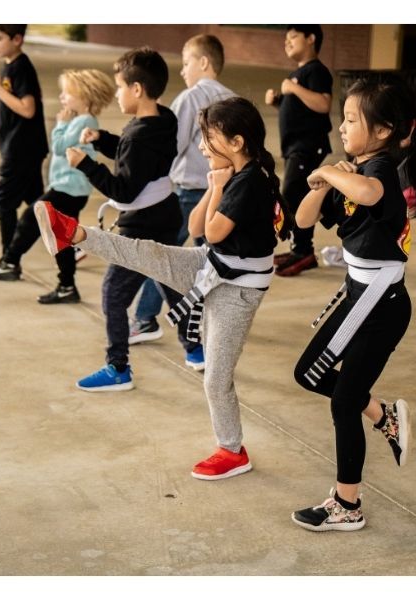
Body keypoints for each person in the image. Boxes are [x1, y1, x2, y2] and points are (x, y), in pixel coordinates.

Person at [34, 96, 291, 479]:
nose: (202, 147)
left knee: (216, 379)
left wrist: (218, 187)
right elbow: (196, 230)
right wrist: (213, 186)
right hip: (214, 266)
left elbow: (217, 230)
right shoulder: (234, 176)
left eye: (208, 139)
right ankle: (73, 232)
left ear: (236, 143)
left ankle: (232, 450)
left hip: (237, 291)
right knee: (148, 253)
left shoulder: (251, 180)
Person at [290, 76, 416, 531]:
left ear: (382, 131)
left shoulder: (378, 174)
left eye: (352, 119)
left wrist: (336, 173)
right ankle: (382, 415)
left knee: (342, 402)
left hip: (383, 305)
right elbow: (302, 220)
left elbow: (370, 194)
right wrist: (320, 184)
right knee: (308, 373)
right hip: (360, 296)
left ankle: (346, 505)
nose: (342, 126)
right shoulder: (354, 171)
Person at [58, 47, 205, 384]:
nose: (118, 94)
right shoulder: (164, 119)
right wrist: (104, 140)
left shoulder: (139, 136)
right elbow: (136, 156)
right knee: (170, 282)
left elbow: (124, 189)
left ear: (137, 89)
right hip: (165, 215)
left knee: (113, 295)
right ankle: (194, 349)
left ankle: (118, 368)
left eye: (121, 87)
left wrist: (86, 164)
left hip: (140, 226)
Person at [130, 34, 235, 345]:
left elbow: (169, 145)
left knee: (162, 256)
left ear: (204, 62)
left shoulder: (190, 99)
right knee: (214, 260)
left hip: (191, 194)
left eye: (187, 62)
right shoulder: (233, 100)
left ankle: (145, 318)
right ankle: (215, 320)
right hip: (224, 193)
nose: (182, 70)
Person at [0, 69, 115, 304]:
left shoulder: (85, 121)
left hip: (69, 189)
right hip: (70, 189)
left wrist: (60, 124)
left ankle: (10, 262)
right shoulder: (81, 120)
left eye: (67, 94)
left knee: (31, 217)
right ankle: (66, 286)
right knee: (61, 236)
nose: (62, 97)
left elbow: (60, 147)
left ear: (85, 96)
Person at [0, 24, 48, 274]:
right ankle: (73, 244)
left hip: (22, 149)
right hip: (20, 147)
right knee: (40, 206)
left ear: (17, 39)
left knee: (4, 202)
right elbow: (16, 108)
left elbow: (28, 109)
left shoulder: (21, 67)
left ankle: (9, 262)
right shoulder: (10, 66)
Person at [265, 24, 333, 276]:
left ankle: (303, 250)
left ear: (311, 39)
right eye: (285, 39)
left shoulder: (316, 71)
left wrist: (292, 88)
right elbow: (300, 109)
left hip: (307, 146)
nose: (287, 42)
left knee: (293, 195)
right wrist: (279, 102)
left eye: (293, 36)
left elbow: (323, 103)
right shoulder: (299, 73)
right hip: (297, 147)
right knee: (298, 195)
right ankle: (300, 248)